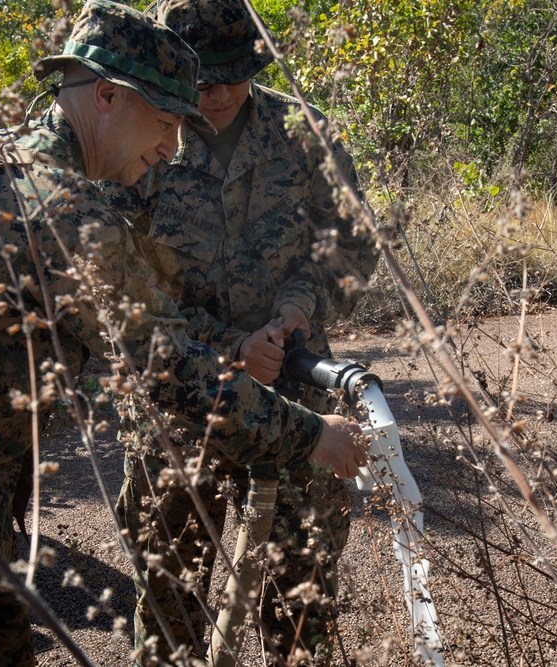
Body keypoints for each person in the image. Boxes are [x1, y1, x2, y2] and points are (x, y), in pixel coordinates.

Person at [0, 2, 365, 665]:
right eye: (164, 121)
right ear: (105, 96)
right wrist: (310, 434)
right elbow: (171, 366)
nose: (174, 147)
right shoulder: (58, 208)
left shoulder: (14, 163)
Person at [107, 0, 379, 663]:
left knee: (302, 598)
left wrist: (299, 306)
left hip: (295, 386)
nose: (217, 93)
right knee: (172, 598)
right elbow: (120, 282)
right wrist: (228, 344)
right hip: (178, 400)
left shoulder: (305, 133)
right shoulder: (140, 137)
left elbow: (352, 240)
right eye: (201, 77)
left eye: (233, 74)